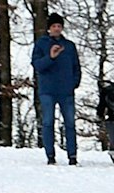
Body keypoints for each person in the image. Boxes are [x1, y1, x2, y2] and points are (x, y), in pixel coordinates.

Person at [31, 14, 82, 165]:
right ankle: (50, 156)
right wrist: (51, 57)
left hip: (66, 91)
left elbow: (76, 67)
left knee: (70, 124)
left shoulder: (70, 46)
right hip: (47, 90)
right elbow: (37, 65)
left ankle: (72, 156)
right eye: (54, 26)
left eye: (59, 26)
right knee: (48, 122)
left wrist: (74, 83)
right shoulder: (41, 44)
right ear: (49, 28)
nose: (57, 29)